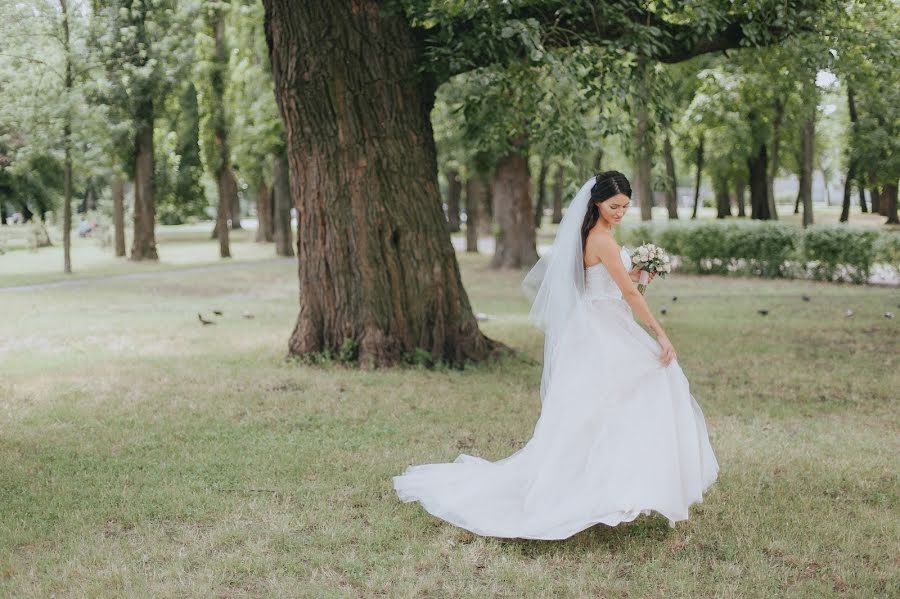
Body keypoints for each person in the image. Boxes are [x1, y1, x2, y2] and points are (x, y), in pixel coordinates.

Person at [393, 171, 719, 540]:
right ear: (596, 202)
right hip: (603, 331)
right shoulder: (601, 240)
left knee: (612, 403)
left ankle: (620, 485)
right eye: (614, 206)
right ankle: (609, 489)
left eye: (626, 206)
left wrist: (643, 275)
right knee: (637, 390)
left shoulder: (595, 238)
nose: (620, 212)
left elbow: (621, 288)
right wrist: (661, 334)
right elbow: (627, 295)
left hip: (604, 324)